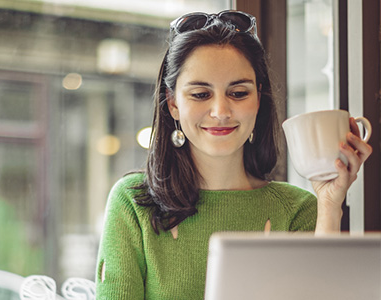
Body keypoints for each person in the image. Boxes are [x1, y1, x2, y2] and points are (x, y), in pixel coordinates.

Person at [95, 10, 372, 299]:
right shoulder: (132, 203)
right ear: (173, 103)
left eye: (238, 93)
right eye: (201, 94)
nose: (221, 112)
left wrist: (329, 206)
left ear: (258, 101)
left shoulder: (297, 210)